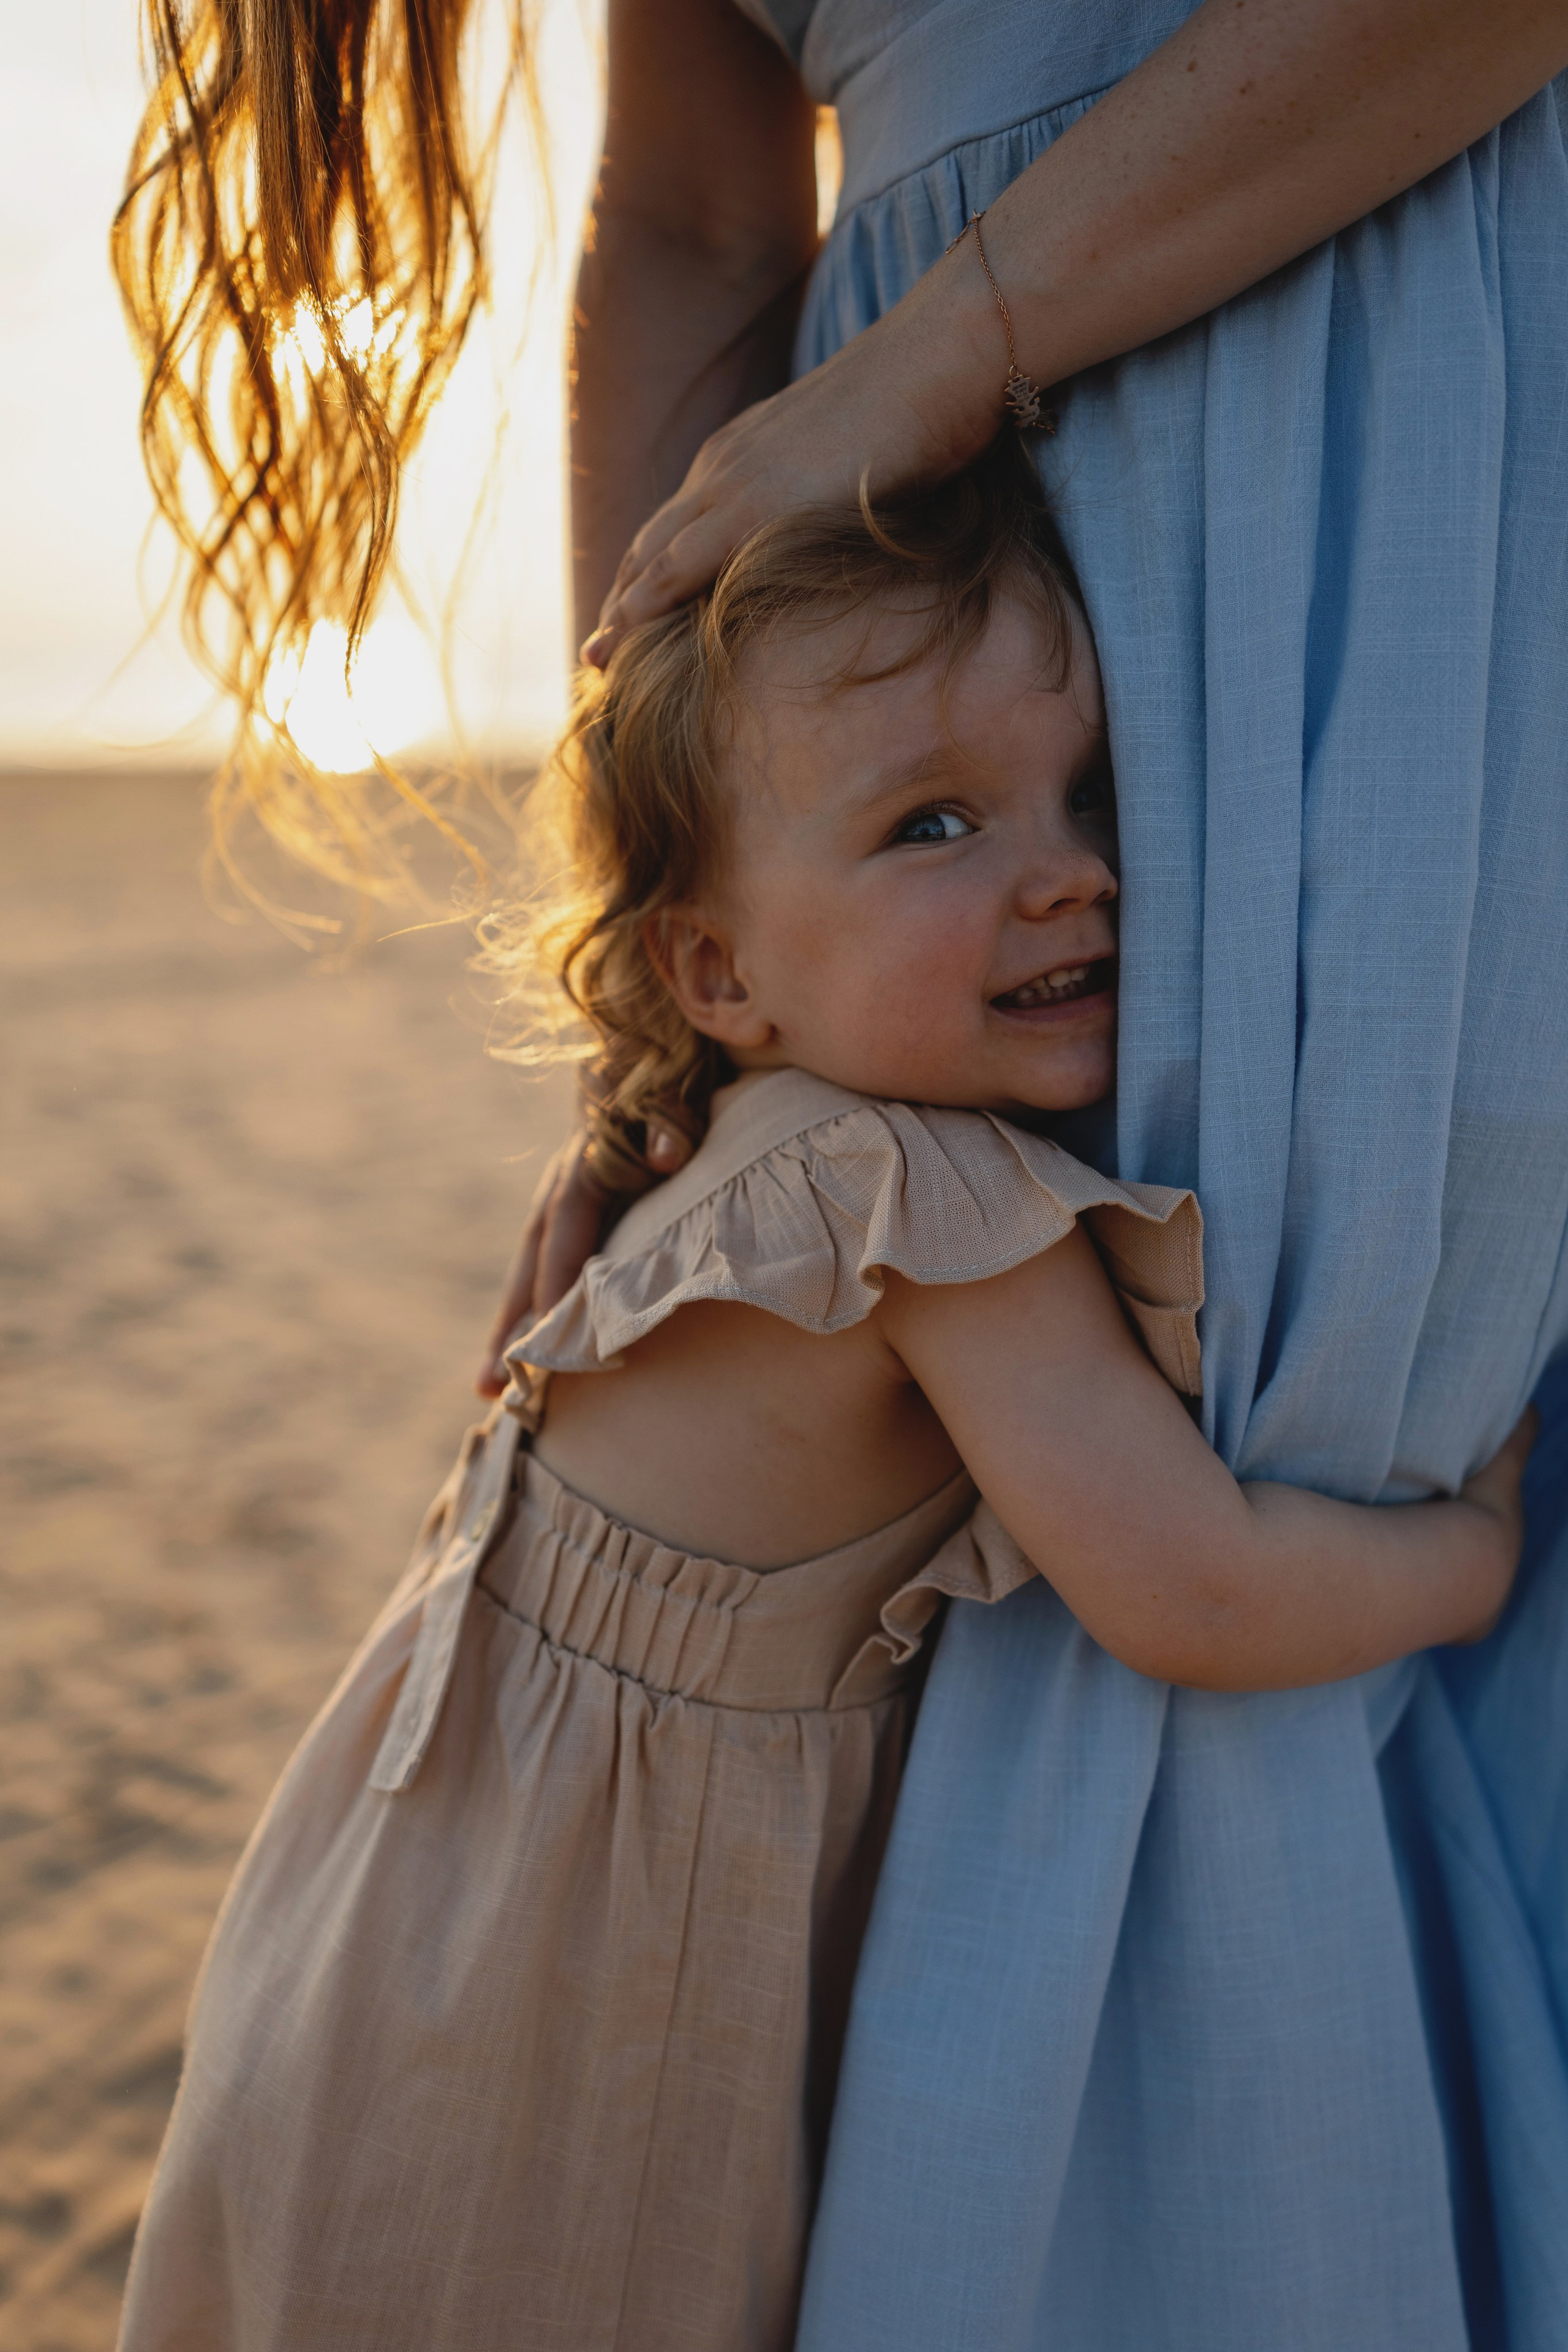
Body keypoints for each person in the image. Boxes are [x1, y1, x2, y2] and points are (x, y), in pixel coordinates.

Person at [116, 1, 1568, 2343]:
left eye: (1088, 796)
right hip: (605, 1998)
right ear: (714, 963)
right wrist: (1472, 1555)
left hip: (400, 1911)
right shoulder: (929, 1215)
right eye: (936, 826)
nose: (1075, 876)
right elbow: (1191, 1587)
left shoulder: (752, 1150)